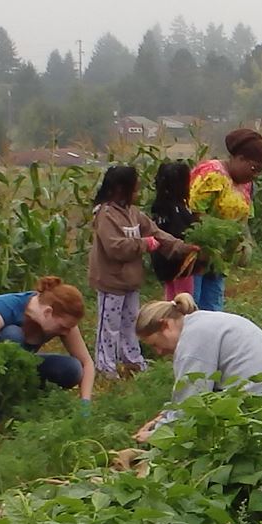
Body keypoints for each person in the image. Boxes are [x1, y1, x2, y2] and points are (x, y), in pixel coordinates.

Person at [88, 163, 186, 380]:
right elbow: (115, 247)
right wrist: (144, 244)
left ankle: (132, 360)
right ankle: (106, 367)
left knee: (131, 323)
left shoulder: (133, 213)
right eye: (134, 189)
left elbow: (156, 233)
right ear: (121, 189)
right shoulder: (106, 215)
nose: (137, 193)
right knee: (109, 326)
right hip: (111, 281)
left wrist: (181, 247)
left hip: (131, 281)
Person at [132, 296, 262, 441]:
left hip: (259, 407)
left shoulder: (191, 342)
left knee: (200, 437)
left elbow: (191, 402)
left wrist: (155, 436)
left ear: (165, 325)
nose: (159, 352)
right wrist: (160, 420)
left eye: (155, 344)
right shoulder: (200, 322)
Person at [0, 275, 94, 405]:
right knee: (13, 336)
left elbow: (86, 363)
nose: (67, 332)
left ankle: (15, 398)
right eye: (63, 326)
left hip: (11, 372)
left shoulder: (61, 319)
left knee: (72, 368)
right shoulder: (0, 310)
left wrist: (85, 403)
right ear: (48, 312)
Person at [186, 127, 262, 310]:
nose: (255, 175)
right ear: (239, 158)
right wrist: (218, 232)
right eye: (254, 168)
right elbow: (193, 212)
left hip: (220, 259)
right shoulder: (212, 174)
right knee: (191, 307)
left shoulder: (246, 184)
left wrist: (246, 241)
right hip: (196, 257)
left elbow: (243, 217)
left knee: (214, 309)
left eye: (260, 171)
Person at [147, 158, 198, 302]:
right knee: (184, 301)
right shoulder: (176, 208)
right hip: (179, 263)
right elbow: (180, 232)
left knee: (171, 297)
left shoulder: (160, 205)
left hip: (164, 262)